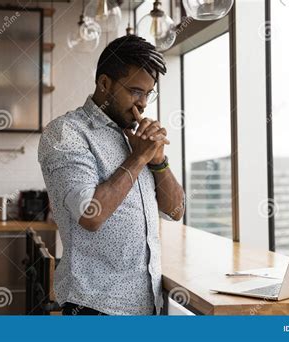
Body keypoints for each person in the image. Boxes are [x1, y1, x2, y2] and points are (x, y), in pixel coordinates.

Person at [38, 35, 185, 316]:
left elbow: (176, 210)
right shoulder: (67, 132)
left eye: (148, 93)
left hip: (146, 303)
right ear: (104, 84)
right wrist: (139, 157)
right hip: (95, 307)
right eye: (135, 91)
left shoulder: (134, 136)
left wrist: (158, 162)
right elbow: (90, 214)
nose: (142, 104)